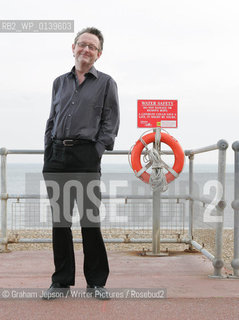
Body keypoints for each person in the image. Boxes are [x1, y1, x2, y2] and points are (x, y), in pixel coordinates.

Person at [42, 27, 120, 300]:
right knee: (60, 222)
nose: (86, 50)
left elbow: (111, 123)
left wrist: (96, 150)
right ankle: (61, 282)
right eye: (82, 44)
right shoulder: (59, 82)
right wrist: (47, 153)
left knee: (89, 221)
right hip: (56, 157)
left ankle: (97, 282)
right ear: (73, 47)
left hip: (86, 156)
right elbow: (51, 119)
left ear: (99, 54)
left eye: (92, 47)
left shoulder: (107, 83)